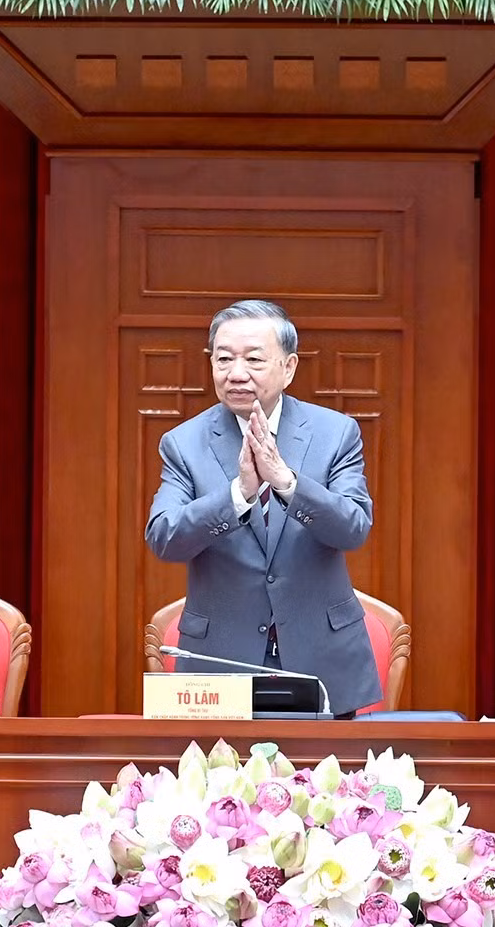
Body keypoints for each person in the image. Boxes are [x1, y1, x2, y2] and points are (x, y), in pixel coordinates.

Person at [145, 300, 381, 716]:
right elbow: (165, 538)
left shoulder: (335, 433)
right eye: (223, 359)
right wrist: (238, 495)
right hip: (220, 663)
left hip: (322, 659)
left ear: (288, 367)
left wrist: (287, 484)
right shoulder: (182, 442)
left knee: (323, 781)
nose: (236, 373)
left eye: (253, 359)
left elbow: (354, 526)